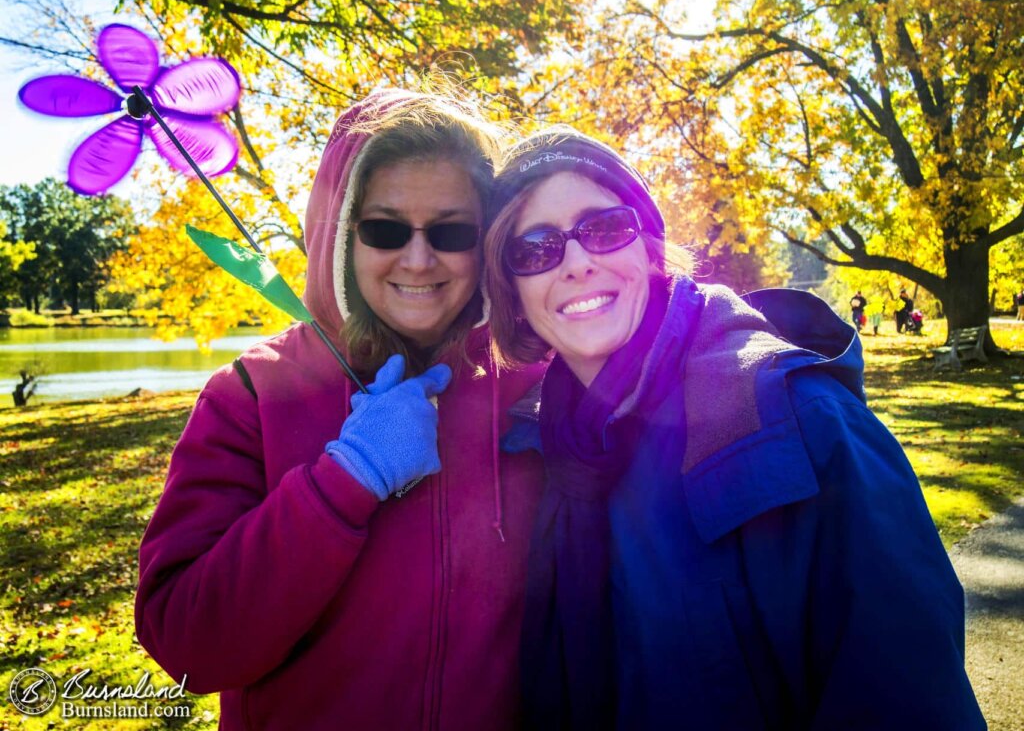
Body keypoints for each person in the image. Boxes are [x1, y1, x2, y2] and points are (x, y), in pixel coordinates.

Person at [483, 127, 984, 729]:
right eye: (535, 248)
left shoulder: (804, 423)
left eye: (604, 228)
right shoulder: (540, 452)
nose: (578, 262)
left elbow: (912, 701)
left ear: (648, 246)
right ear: (510, 289)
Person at [135, 89, 548, 730]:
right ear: (339, 234)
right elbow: (187, 645)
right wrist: (345, 480)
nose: (418, 258)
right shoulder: (253, 394)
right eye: (384, 229)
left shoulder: (533, 386)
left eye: (452, 230)